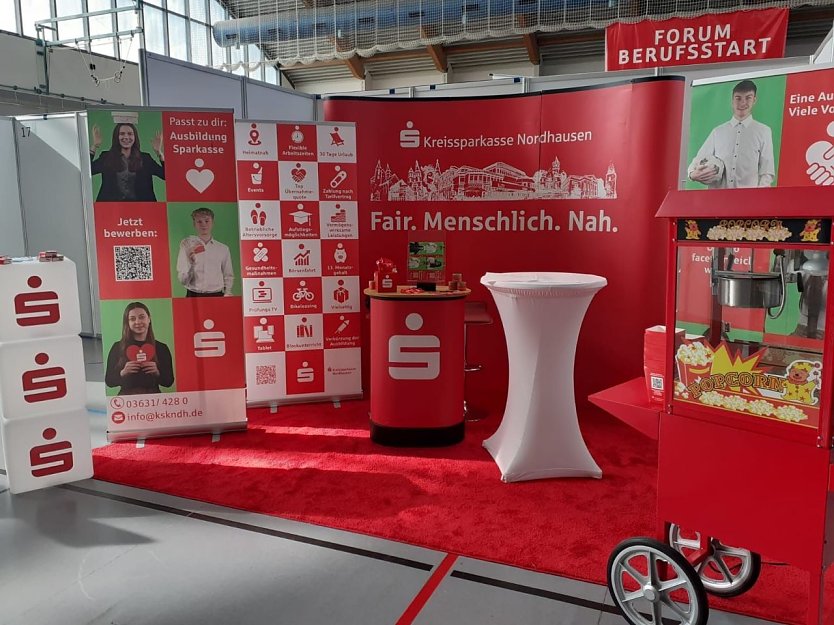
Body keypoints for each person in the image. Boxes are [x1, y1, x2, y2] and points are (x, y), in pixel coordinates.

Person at [688, 79, 775, 189]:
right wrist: (692, 174)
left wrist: (757, 199)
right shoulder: (718, 132)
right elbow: (699, 159)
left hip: (747, 201)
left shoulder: (764, 131)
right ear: (732, 101)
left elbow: (767, 171)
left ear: (754, 100)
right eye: (738, 98)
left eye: (748, 98)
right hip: (717, 201)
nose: (743, 103)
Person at [105, 302, 174, 395]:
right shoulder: (117, 347)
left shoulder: (161, 348)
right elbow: (109, 382)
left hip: (154, 398)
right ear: (127, 323)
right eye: (132, 319)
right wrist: (123, 372)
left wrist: (158, 372)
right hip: (127, 398)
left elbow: (169, 382)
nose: (137, 322)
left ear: (149, 319)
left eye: (142, 317)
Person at [90, 123, 165, 202]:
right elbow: (88, 171)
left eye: (130, 134)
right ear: (116, 137)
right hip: (112, 209)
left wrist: (159, 153)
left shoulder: (146, 159)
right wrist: (94, 146)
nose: (126, 137)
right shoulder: (106, 157)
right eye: (122, 134)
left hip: (142, 209)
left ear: (134, 137)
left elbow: (166, 176)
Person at [176, 207, 235, 297]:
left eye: (207, 221)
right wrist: (191, 264)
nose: (203, 225)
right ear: (194, 224)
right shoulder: (186, 245)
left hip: (217, 295)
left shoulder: (223, 248)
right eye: (199, 221)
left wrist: (228, 292)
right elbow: (182, 277)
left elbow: (228, 274)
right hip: (193, 295)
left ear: (212, 223)